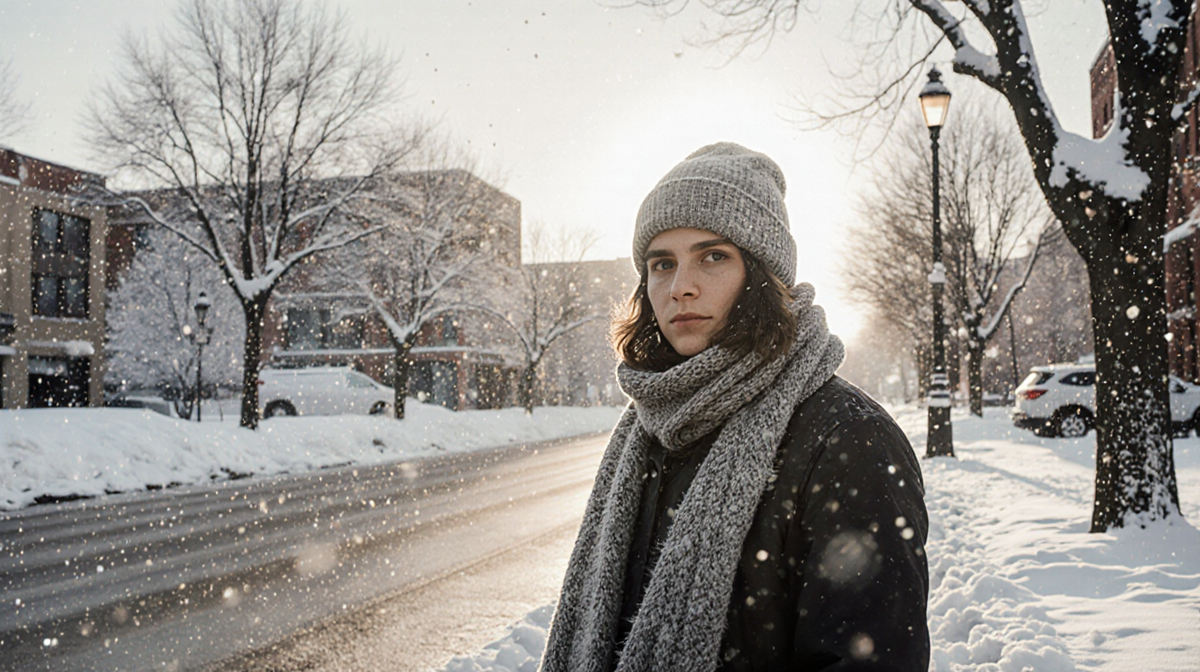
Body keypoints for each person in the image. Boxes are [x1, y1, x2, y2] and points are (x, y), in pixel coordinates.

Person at [540, 143, 929, 672]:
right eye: (662, 264)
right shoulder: (649, 429)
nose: (681, 287)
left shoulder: (849, 438)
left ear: (762, 275)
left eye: (713, 256)